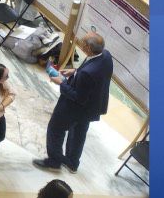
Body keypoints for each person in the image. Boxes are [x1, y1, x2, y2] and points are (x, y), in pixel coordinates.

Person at [34, 32, 114, 173]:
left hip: (74, 108)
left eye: (83, 43)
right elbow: (94, 74)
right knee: (78, 133)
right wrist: (75, 72)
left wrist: (61, 83)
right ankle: (72, 163)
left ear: (88, 48)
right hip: (91, 108)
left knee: (55, 130)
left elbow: (78, 97)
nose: (80, 44)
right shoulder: (106, 56)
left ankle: (54, 162)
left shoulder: (87, 73)